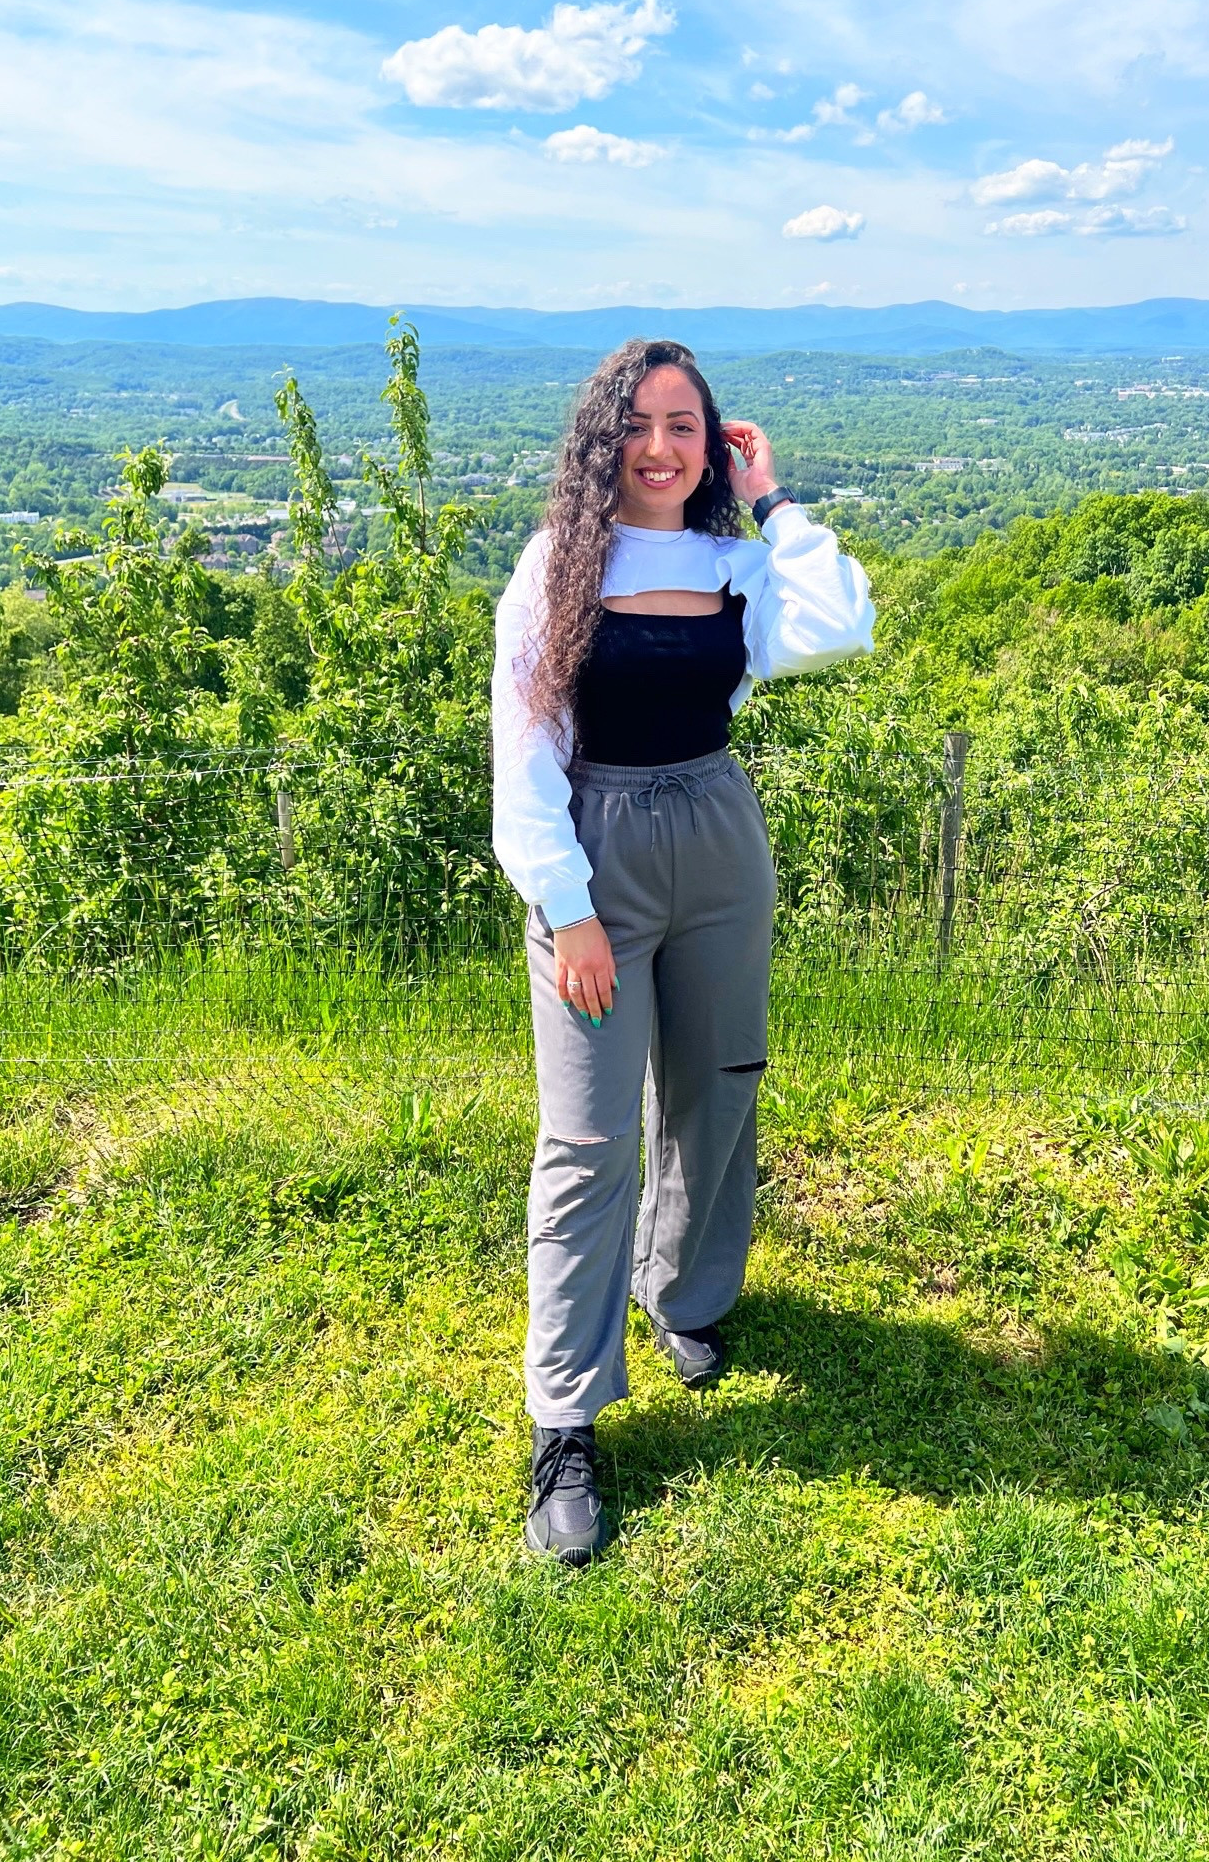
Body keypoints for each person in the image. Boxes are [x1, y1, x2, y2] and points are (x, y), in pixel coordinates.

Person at [492, 338, 875, 1563]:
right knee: (589, 1136)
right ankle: (566, 1420)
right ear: (600, 441)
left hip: (716, 834)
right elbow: (523, 759)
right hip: (594, 845)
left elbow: (841, 623)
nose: (661, 447)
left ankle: (689, 1294)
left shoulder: (734, 565)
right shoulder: (556, 567)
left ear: (713, 446)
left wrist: (775, 500)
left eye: (686, 426)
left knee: (717, 1091)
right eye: (638, 425)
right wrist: (573, 908)